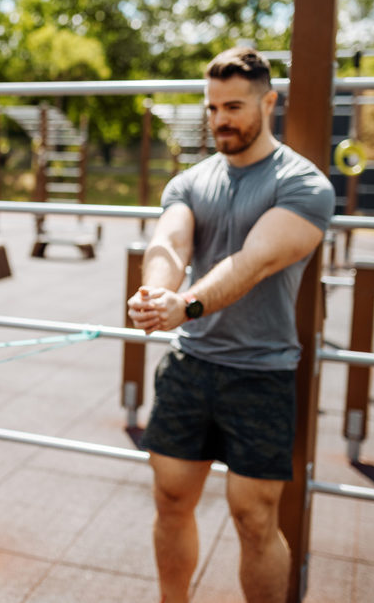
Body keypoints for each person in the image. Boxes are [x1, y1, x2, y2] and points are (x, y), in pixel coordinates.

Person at [127, 46, 335, 603]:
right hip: (191, 365)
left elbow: (256, 260)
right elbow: (169, 242)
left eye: (236, 106)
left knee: (254, 518)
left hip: (260, 373)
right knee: (171, 500)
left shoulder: (305, 185)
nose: (221, 118)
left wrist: (186, 305)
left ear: (269, 102)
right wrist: (156, 292)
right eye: (214, 106)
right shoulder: (191, 181)